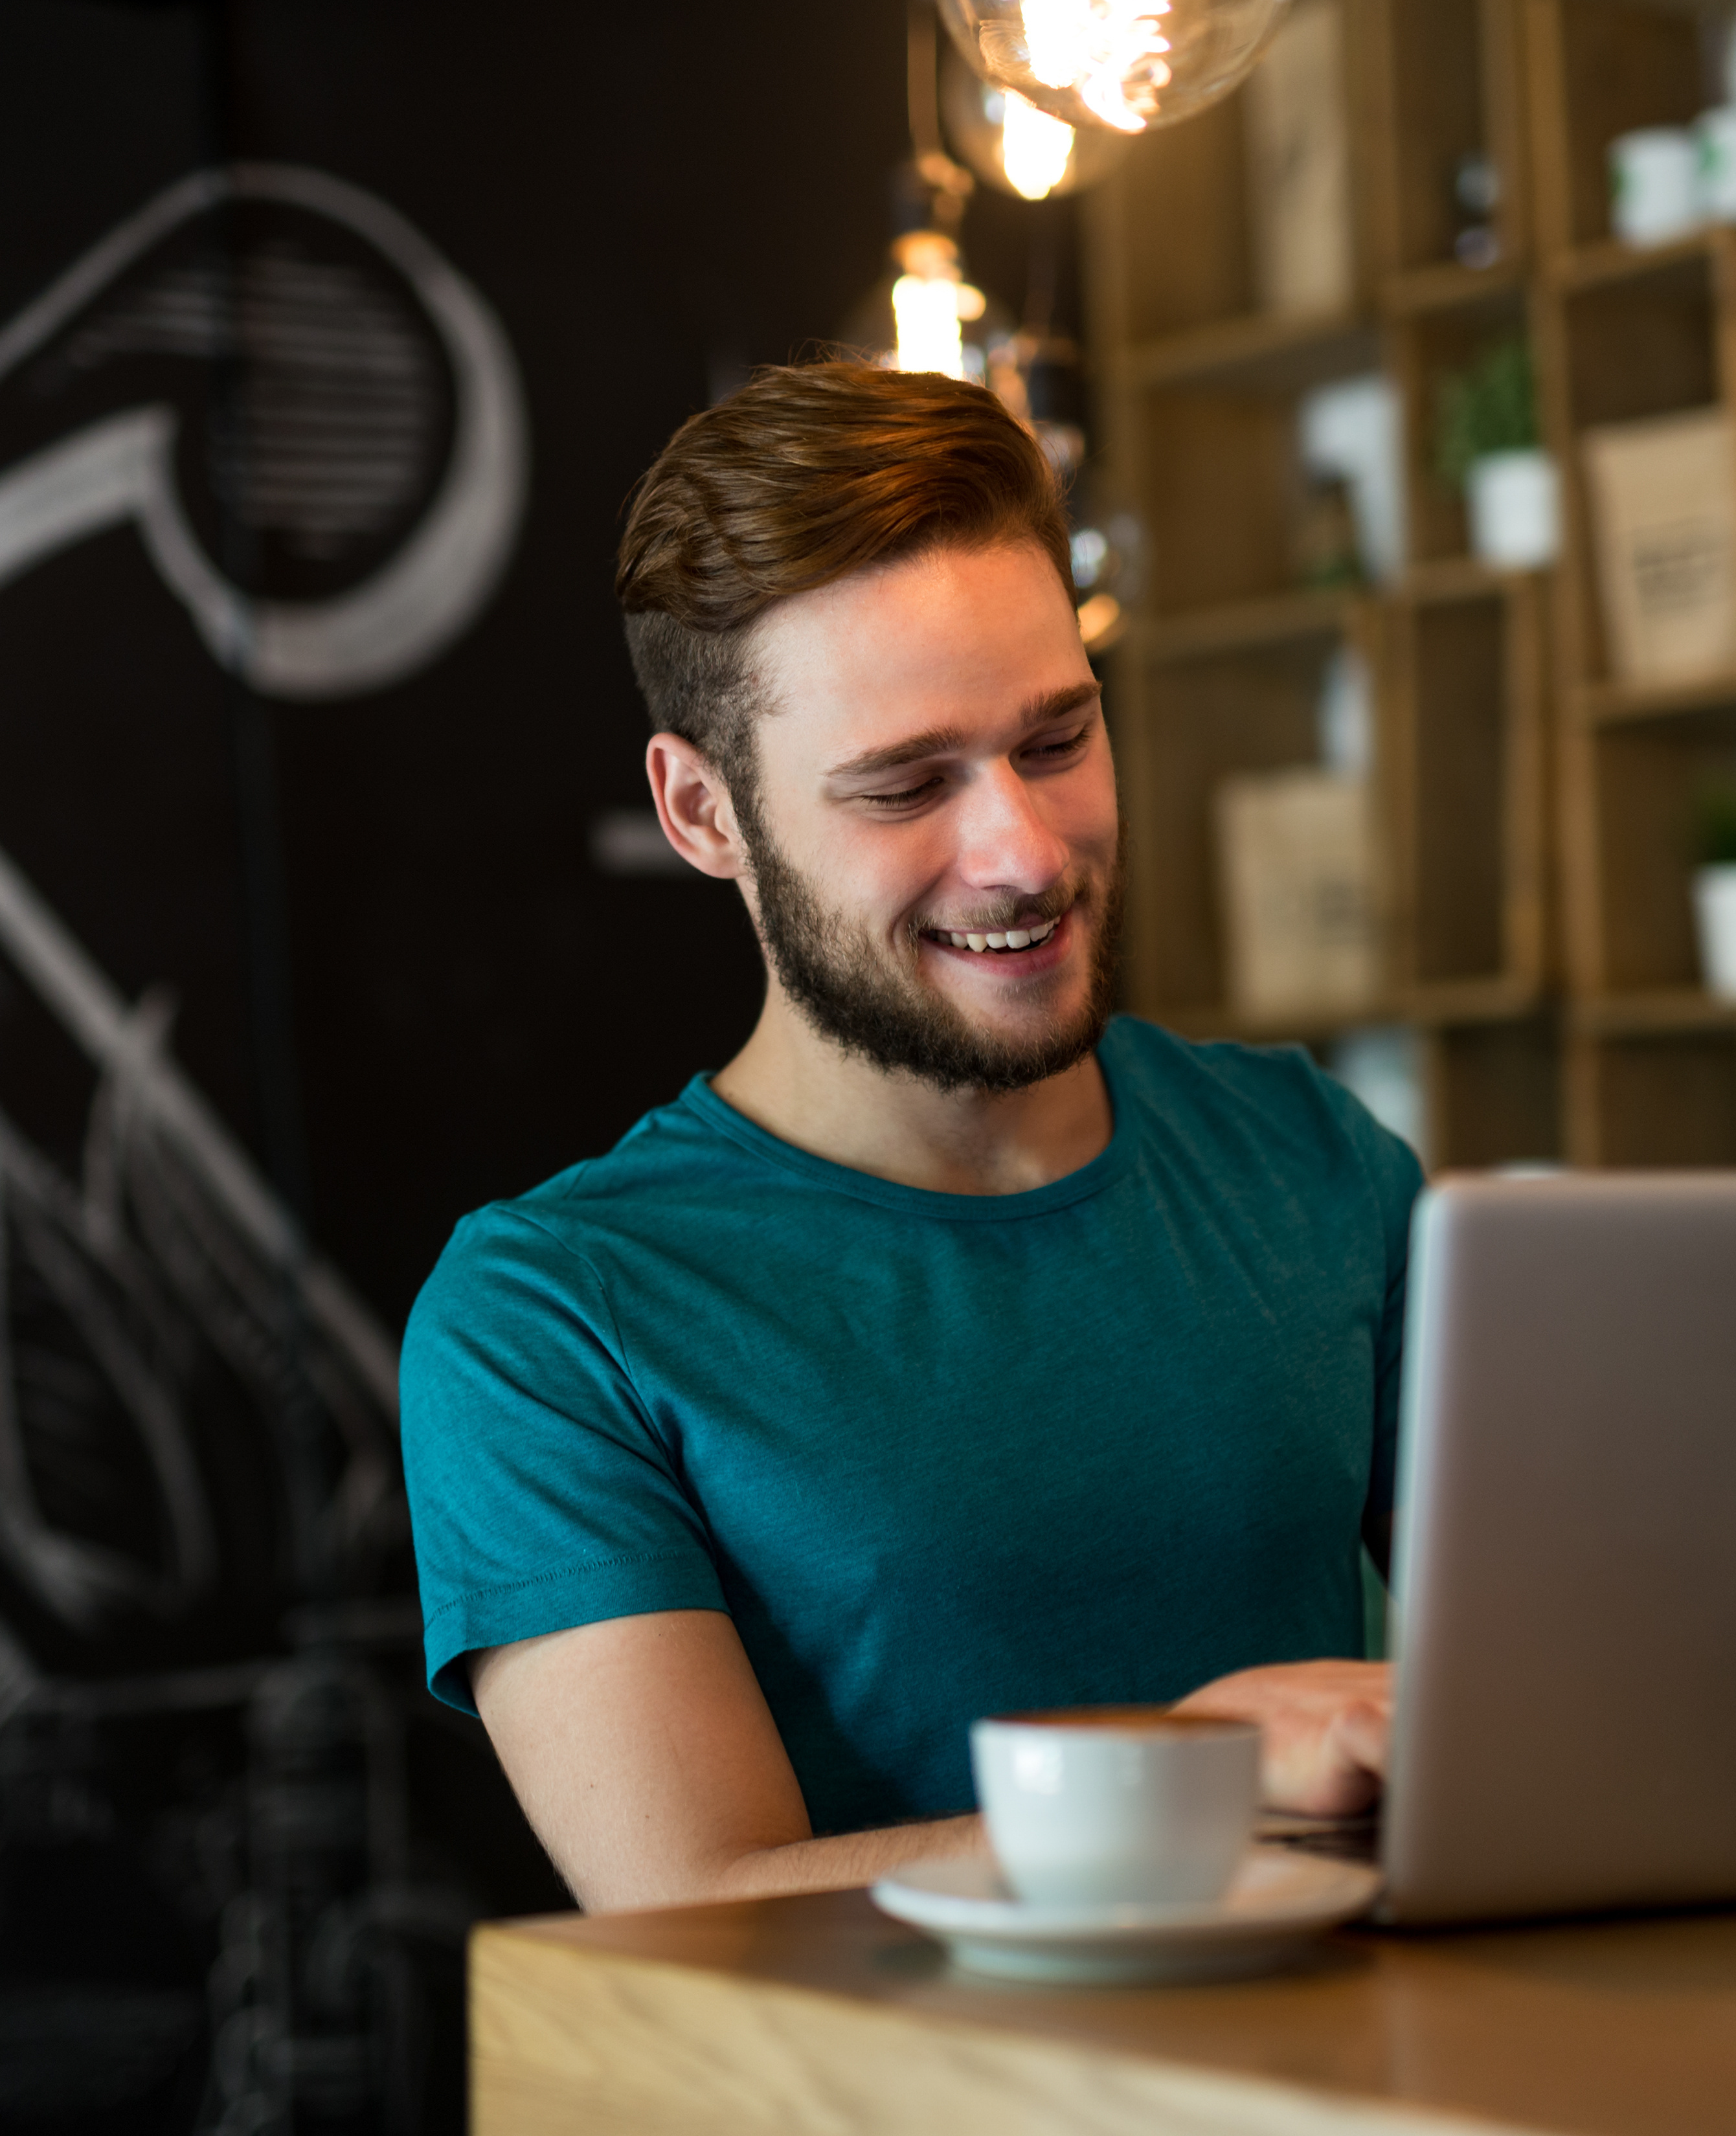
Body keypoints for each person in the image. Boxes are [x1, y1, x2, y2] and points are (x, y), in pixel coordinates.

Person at [400, 363, 1421, 1913]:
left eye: (1056, 740)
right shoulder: (551, 1318)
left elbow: (1574, 1676)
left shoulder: (1309, 1158)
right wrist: (1186, 1781)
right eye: (905, 784)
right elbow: (691, 1911)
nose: (1022, 851)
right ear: (703, 813)